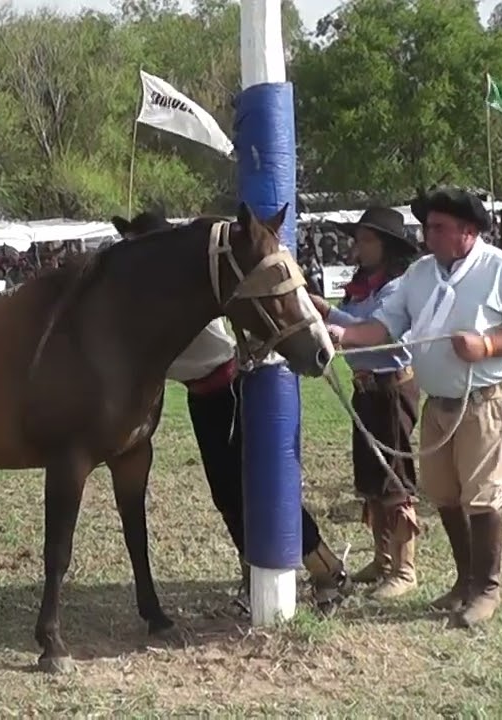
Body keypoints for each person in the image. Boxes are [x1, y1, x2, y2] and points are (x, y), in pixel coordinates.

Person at [328, 188, 502, 628]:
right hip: (439, 404)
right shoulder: (419, 275)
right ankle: (464, 582)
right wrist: (342, 335)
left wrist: (488, 345)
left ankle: (486, 589)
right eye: (427, 226)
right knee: (446, 496)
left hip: (488, 402)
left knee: (482, 497)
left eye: (437, 227)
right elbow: (384, 327)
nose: (427, 235)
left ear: (467, 231)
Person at [113, 212, 349, 614]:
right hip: (204, 396)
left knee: (254, 490)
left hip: (228, 392)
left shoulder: (174, 295)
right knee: (228, 494)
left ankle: (327, 569)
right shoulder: (159, 294)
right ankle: (257, 575)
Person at [308, 207, 421, 600]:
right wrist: (328, 312)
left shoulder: (397, 289)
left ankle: (405, 569)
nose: (358, 245)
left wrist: (331, 317)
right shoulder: (363, 286)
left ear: (386, 246)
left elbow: (373, 331)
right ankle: (383, 560)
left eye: (366, 239)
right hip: (367, 389)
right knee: (372, 478)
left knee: (394, 476)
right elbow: (356, 324)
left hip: (391, 388)